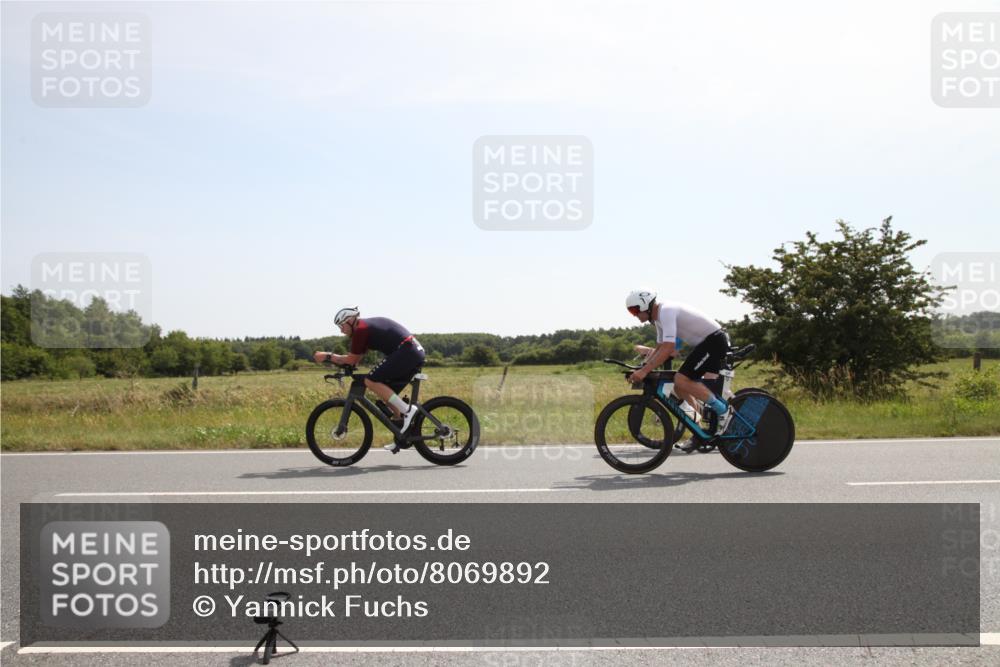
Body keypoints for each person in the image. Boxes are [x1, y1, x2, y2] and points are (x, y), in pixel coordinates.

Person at [624, 289, 735, 449]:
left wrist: (645, 371)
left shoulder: (666, 311)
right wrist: (643, 367)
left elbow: (669, 348)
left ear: (644, 305)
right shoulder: (658, 318)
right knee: (679, 386)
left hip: (714, 341)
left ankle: (723, 410)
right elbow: (660, 347)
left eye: (634, 310)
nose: (634, 315)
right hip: (706, 344)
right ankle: (699, 431)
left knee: (681, 379)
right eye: (630, 312)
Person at [313, 307, 425, 454]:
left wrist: (328, 356)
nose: (341, 331)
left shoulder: (361, 329)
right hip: (410, 351)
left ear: (351, 321)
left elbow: (351, 359)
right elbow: (354, 361)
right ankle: (401, 436)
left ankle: (407, 410)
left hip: (407, 351)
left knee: (371, 381)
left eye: (342, 326)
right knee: (387, 394)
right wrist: (339, 363)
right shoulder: (363, 330)